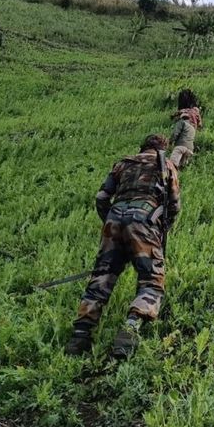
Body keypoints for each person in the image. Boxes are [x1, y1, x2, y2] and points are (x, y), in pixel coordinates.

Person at [66, 135, 181, 359]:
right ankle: (129, 330)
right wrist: (159, 230)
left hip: (114, 219)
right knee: (151, 280)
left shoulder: (123, 162)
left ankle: (80, 336)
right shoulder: (166, 164)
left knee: (102, 276)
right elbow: (174, 206)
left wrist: (110, 223)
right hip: (145, 220)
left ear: (143, 148)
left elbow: (101, 197)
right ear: (162, 148)